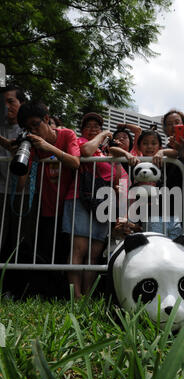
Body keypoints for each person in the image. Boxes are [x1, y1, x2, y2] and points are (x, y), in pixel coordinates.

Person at [62, 112, 119, 299]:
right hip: (79, 198)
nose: (93, 129)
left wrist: (115, 154)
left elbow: (117, 177)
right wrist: (101, 136)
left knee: (94, 254)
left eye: (97, 126)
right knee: (79, 249)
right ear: (83, 129)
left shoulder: (105, 151)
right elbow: (85, 152)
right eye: (89, 126)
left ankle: (88, 295)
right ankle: (75, 296)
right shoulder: (80, 142)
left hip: (102, 202)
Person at [17, 102, 80, 268]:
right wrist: (21, 151)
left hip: (68, 208)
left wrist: (48, 147)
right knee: (44, 254)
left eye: (35, 125)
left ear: (46, 119)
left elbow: (75, 162)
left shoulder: (67, 135)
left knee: (64, 253)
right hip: (44, 210)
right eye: (28, 128)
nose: (33, 131)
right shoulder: (32, 145)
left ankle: (63, 292)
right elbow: (20, 184)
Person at [0, 85, 26, 259]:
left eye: (11, 101)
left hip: (23, 195)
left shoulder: (29, 128)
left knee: (20, 242)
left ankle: (17, 285)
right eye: (2, 103)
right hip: (1, 191)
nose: (6, 106)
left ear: (22, 103)